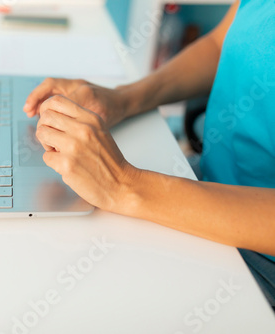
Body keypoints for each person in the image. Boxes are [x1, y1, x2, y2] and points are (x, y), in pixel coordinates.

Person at [23, 0, 275, 309]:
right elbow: (220, 42)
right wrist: (123, 99)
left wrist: (125, 186)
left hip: (259, 265)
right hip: (206, 179)